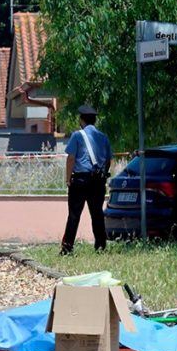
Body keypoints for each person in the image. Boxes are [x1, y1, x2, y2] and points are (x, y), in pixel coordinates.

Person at [60, 105, 112, 255]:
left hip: (80, 180)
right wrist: (103, 173)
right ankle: (100, 246)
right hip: (97, 181)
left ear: (81, 120)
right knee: (97, 214)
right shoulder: (103, 137)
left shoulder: (77, 136)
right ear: (94, 120)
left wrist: (68, 179)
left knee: (74, 214)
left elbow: (71, 158)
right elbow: (108, 160)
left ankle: (67, 247)